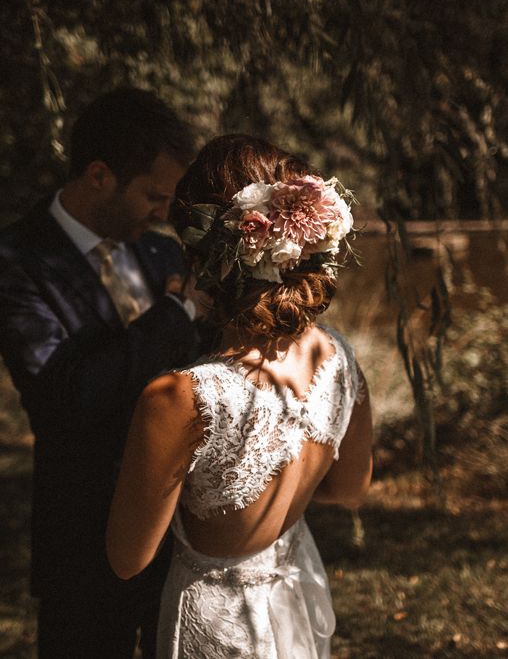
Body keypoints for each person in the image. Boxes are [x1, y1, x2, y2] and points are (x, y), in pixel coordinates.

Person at [106, 134, 374, 658]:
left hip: (217, 626)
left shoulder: (180, 397)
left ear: (201, 257)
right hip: (291, 594)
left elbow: (127, 558)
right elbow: (350, 489)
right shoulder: (338, 358)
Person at [0, 88, 207, 657]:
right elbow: (63, 397)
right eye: (153, 196)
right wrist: (177, 313)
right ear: (98, 174)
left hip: (177, 533)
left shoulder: (163, 255)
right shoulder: (16, 262)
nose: (164, 212)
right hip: (82, 542)